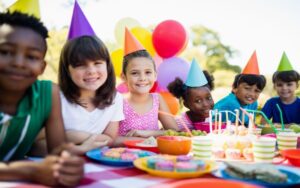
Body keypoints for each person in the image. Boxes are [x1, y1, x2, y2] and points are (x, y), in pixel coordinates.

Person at [0, 11, 83, 187]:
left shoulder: (49, 94)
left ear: (42, 67)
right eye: (5, 52)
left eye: (31, 57)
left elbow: (58, 152)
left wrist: (66, 163)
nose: (18, 63)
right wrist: (30, 171)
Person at [114, 29, 179, 146]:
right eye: (134, 73)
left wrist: (146, 133)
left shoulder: (157, 100)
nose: (142, 78)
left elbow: (174, 132)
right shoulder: (118, 101)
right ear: (124, 77)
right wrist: (145, 141)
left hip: (152, 159)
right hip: (123, 157)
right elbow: (112, 139)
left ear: (155, 75)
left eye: (148, 72)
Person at [57, 35, 124, 148]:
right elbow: (36, 145)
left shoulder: (115, 98)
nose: (91, 71)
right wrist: (78, 147)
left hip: (96, 163)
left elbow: (110, 139)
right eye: (81, 65)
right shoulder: (56, 98)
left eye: (97, 63)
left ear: (107, 65)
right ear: (67, 70)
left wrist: (75, 136)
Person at [214, 51, 266, 126]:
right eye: (247, 88)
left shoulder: (253, 103)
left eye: (257, 91)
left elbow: (251, 126)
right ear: (234, 88)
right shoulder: (231, 103)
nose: (252, 94)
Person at [168, 59, 215, 130]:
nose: (205, 104)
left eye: (209, 98)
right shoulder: (178, 124)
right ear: (186, 104)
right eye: (198, 101)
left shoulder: (213, 118)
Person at [261, 52, 300, 125]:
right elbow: (263, 123)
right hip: (277, 136)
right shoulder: (271, 103)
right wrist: (286, 126)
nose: (284, 88)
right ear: (274, 86)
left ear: (297, 85)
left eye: (289, 84)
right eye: (279, 85)